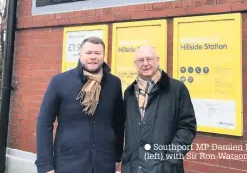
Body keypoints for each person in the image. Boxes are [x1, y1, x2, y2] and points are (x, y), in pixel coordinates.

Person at [35, 37, 124, 173]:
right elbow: (44, 123)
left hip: (104, 163)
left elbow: (118, 122)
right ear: (80, 55)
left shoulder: (114, 83)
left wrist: (118, 157)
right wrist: (45, 165)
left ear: (103, 55)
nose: (93, 57)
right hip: (69, 163)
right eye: (89, 53)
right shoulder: (60, 81)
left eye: (97, 53)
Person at [121, 45, 197, 173]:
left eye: (149, 59)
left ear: (158, 60)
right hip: (133, 168)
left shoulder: (177, 89)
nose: (145, 64)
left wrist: (170, 161)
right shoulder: (129, 93)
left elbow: (187, 127)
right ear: (135, 63)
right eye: (140, 60)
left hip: (165, 168)